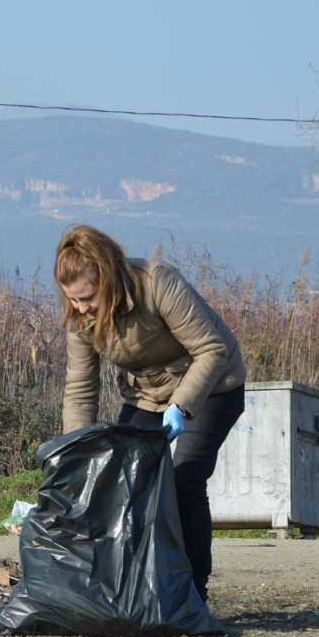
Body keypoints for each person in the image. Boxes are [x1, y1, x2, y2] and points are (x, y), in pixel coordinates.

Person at [55, 224, 246, 604]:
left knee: (183, 478)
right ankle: (135, 590)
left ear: (107, 277)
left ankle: (192, 594)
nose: (81, 308)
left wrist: (181, 406)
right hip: (147, 396)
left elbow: (211, 350)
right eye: (72, 299)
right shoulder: (80, 319)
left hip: (211, 385)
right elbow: (80, 389)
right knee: (122, 481)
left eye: (88, 297)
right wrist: (77, 452)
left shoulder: (157, 282)